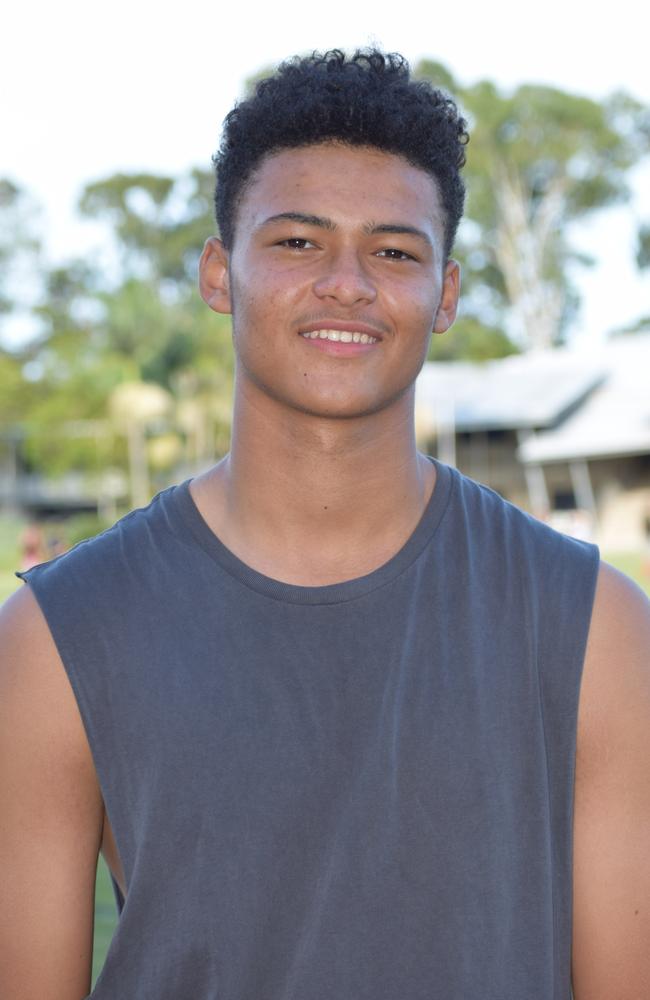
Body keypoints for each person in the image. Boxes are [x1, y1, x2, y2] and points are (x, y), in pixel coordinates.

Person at [1, 49, 648, 1000]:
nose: (347, 283)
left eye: (394, 250)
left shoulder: (599, 629)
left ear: (448, 295)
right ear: (220, 274)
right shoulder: (54, 640)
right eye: (298, 242)